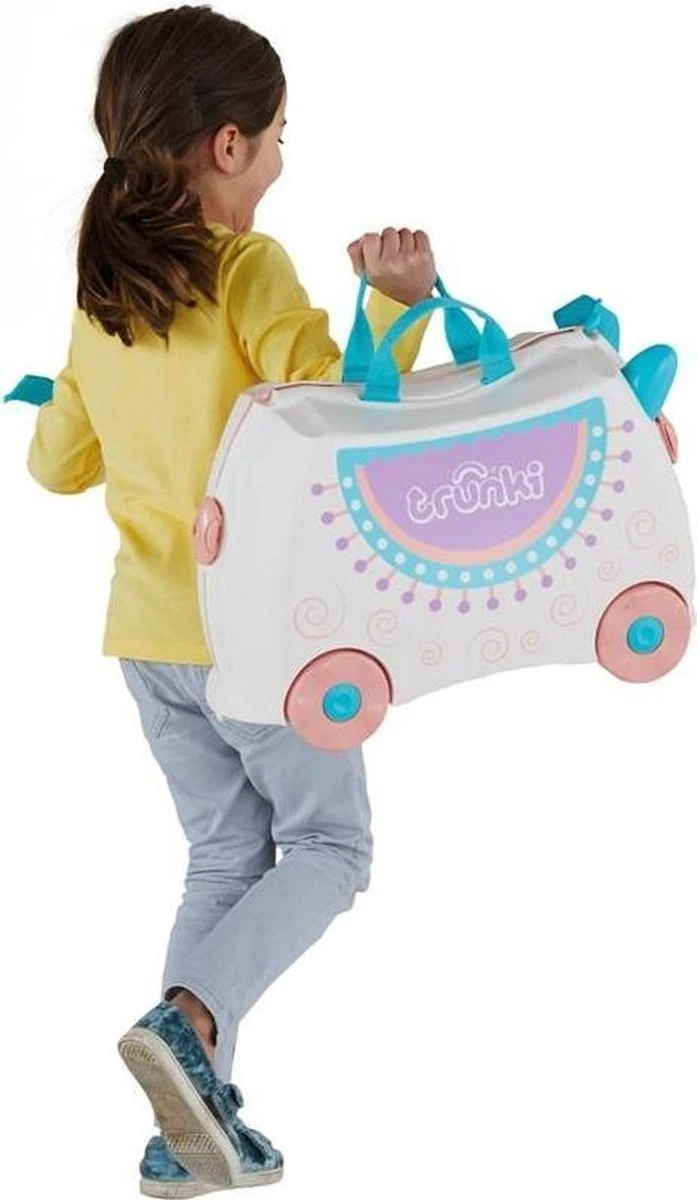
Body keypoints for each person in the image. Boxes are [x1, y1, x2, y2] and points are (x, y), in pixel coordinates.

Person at [26, 6, 436, 1195]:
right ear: (225, 145)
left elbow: (55, 464)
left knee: (221, 857)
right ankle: (192, 1023)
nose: (276, 165)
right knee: (329, 848)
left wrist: (93, 398)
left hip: (147, 643)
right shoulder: (245, 267)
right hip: (257, 639)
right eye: (275, 140)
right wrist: (397, 302)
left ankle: (179, 1136)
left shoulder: (102, 297)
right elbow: (336, 405)